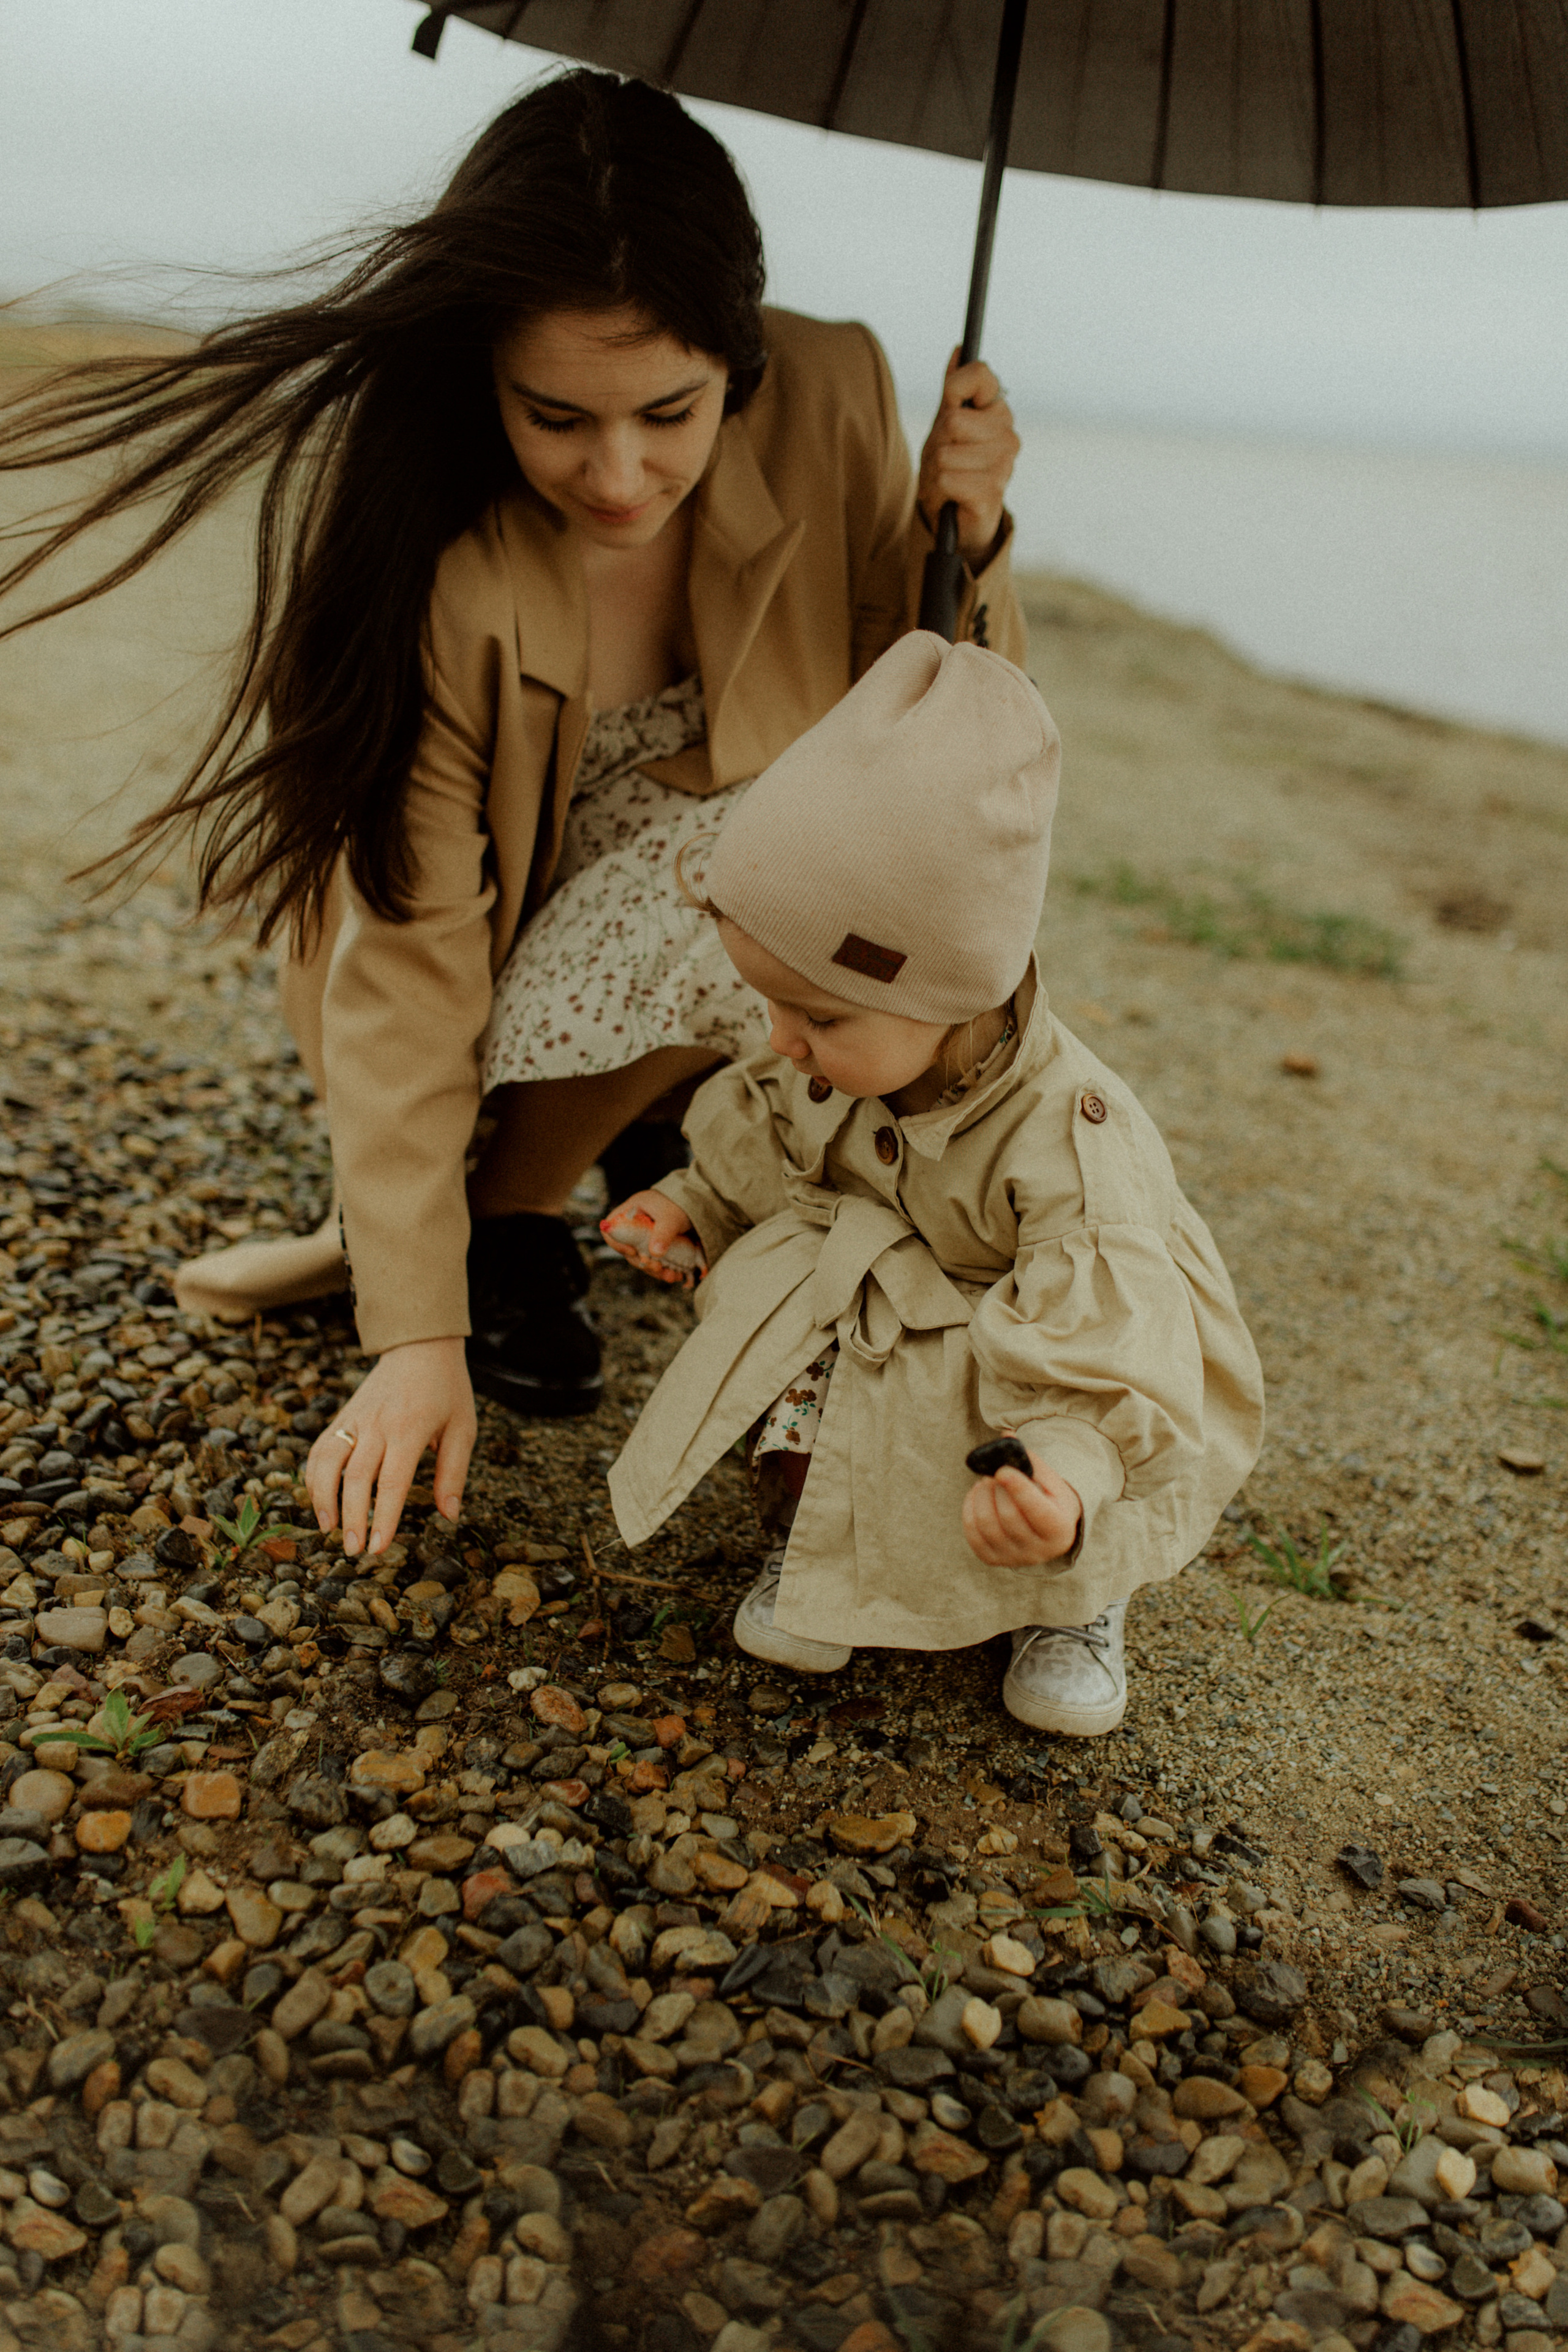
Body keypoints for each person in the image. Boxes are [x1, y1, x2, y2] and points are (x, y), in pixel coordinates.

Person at [0, 70, 1024, 1563]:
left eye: (668, 413)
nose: (618, 475)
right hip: (502, 963)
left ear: (736, 363)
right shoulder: (437, 550)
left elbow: (943, 747)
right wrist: (412, 1337)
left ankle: (596, 1163)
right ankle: (510, 1209)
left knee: (814, 862)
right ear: (489, 376)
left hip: (718, 928)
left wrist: (969, 537)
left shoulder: (838, 389)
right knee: (745, 867)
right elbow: (413, 954)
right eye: (557, 417)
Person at [599, 632, 1264, 1734]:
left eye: (817, 1017)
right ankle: (828, 1550)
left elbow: (1108, 1344)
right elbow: (770, 1135)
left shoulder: (1072, 1139)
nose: (783, 1042)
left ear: (958, 990)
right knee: (797, 1299)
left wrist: (1065, 1468)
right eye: (771, 1006)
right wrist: (699, 1203)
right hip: (886, 1322)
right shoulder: (832, 1053)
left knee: (1039, 1464)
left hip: (1045, 1365)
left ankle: (1071, 1596)